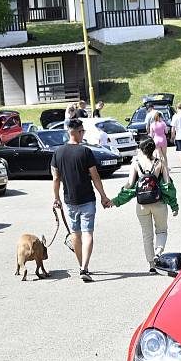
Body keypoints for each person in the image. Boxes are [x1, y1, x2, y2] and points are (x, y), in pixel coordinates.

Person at [52, 119, 112, 282]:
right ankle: (84, 267)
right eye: (82, 132)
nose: (83, 134)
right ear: (77, 132)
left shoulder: (58, 153)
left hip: (69, 200)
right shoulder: (85, 152)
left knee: (75, 234)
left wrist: (56, 198)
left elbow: (56, 178)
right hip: (87, 199)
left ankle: (81, 266)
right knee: (87, 233)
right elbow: (95, 177)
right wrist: (103, 196)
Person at [111, 139, 178, 273]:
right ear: (153, 149)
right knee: (162, 231)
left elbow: (130, 185)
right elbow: (167, 186)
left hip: (142, 205)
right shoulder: (160, 163)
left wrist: (116, 199)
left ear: (141, 150)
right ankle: (158, 253)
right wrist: (174, 205)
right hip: (159, 203)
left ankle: (151, 265)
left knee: (147, 235)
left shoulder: (135, 163)